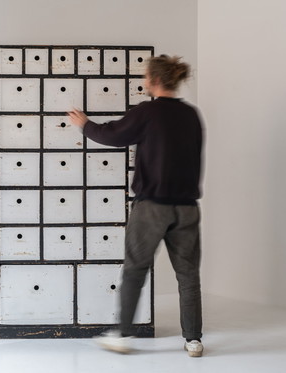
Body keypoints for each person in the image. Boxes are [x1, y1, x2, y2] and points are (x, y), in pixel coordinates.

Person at [68, 55, 204, 357]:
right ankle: (193, 340)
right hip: (188, 207)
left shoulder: (148, 112)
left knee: (135, 270)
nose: (143, 81)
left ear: (154, 81)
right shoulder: (192, 115)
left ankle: (124, 335)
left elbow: (113, 135)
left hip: (153, 206)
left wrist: (85, 124)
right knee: (188, 275)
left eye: (145, 77)